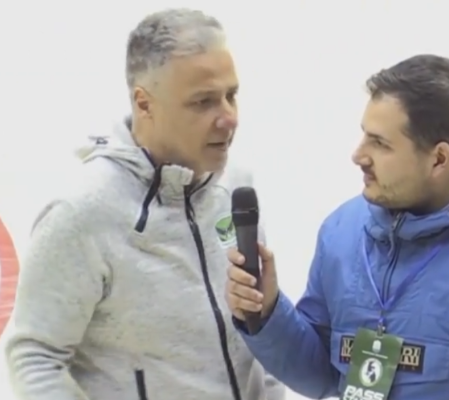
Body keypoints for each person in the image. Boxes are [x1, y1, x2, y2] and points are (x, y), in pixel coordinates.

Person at [226, 54, 449, 400]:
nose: (358, 155)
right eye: (364, 135)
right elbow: (321, 374)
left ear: (439, 159)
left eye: (380, 143)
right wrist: (268, 313)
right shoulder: (343, 231)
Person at [4, 8, 284, 400]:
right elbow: (34, 356)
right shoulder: (84, 211)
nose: (228, 118)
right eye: (203, 102)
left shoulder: (234, 187)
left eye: (231, 96)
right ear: (144, 103)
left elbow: (260, 333)